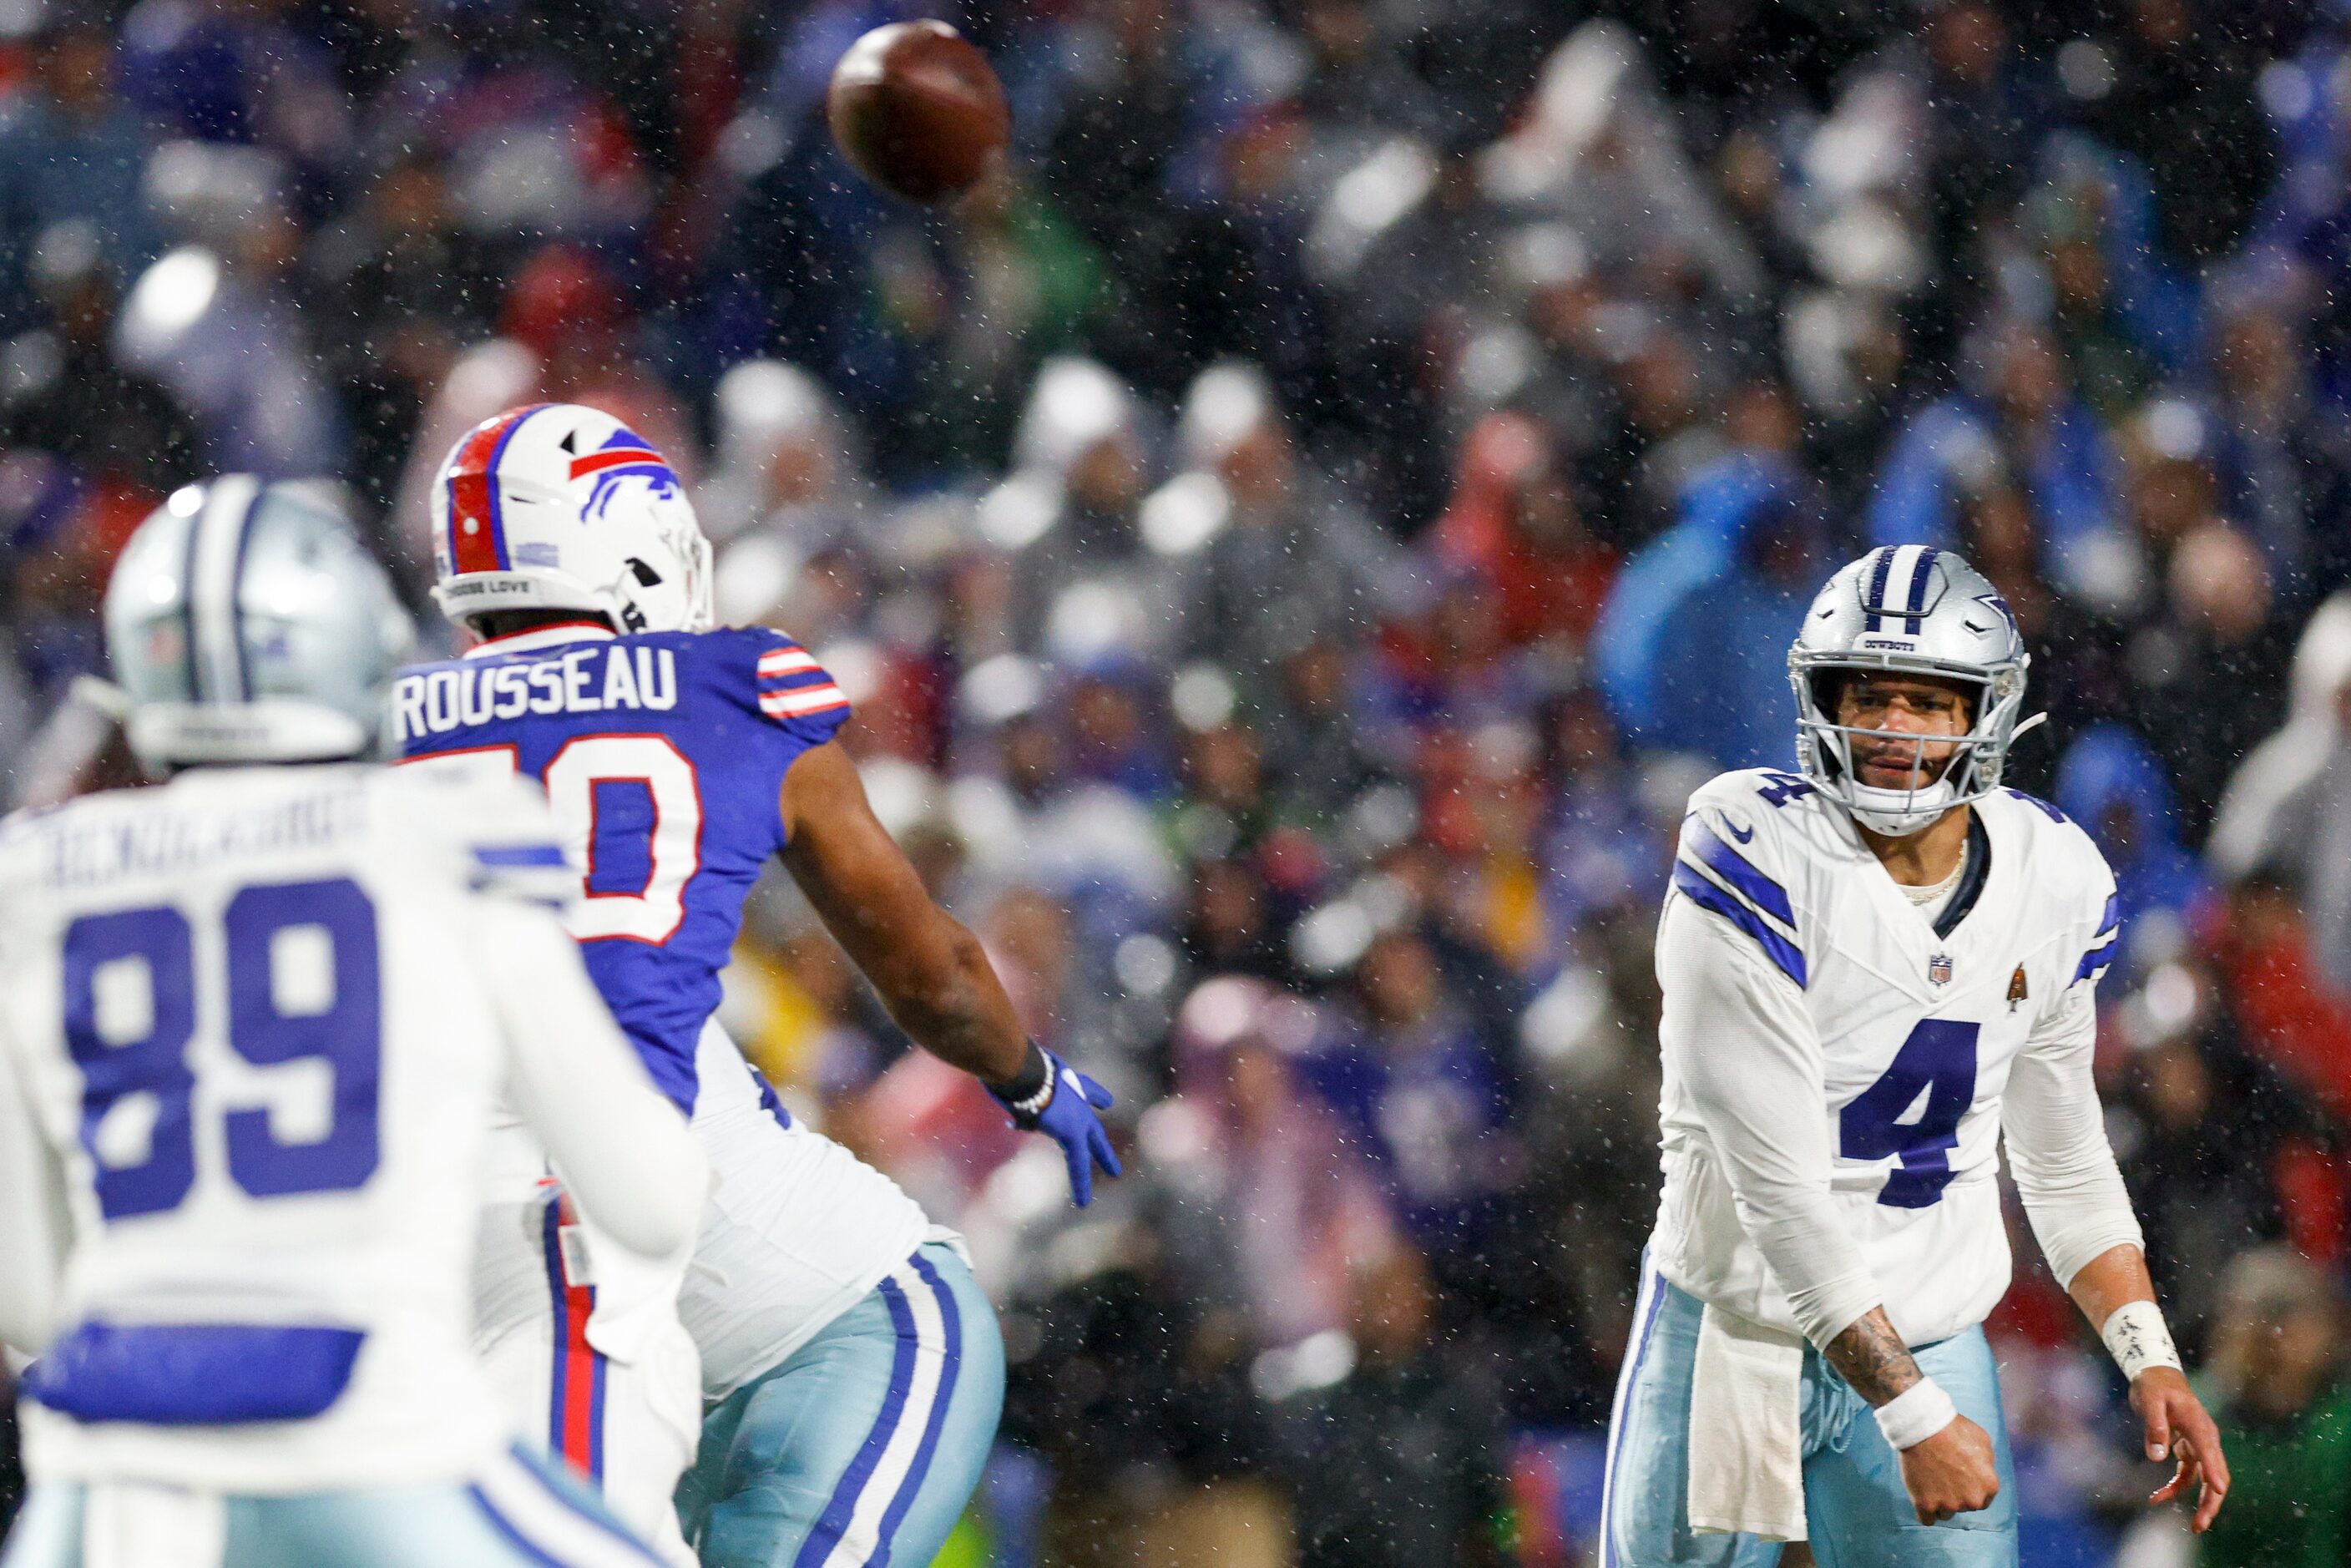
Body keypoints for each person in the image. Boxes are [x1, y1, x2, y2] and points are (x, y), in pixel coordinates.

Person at [393, 404, 1119, 1568]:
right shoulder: (735, 685)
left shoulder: (379, 734)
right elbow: (933, 978)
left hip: (733, 1298)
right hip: (737, 1278)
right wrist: (1029, 1079)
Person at [0, 478, 702, 1565]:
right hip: (376, 1439)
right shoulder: (451, 834)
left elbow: (32, 1301)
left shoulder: (29, 877)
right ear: (352, 646)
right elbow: (652, 1205)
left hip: (110, 1476)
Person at [1600, 544, 2228, 1565]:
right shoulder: (1750, 847)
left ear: (1982, 713)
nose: (1890, 728)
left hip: (1931, 1332)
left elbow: (2061, 1158)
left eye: (1926, 702)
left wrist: (2146, 1354)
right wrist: (1910, 1415)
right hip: (1736, 1340)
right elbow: (1778, 1192)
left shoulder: (2050, 876)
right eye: (1869, 696)